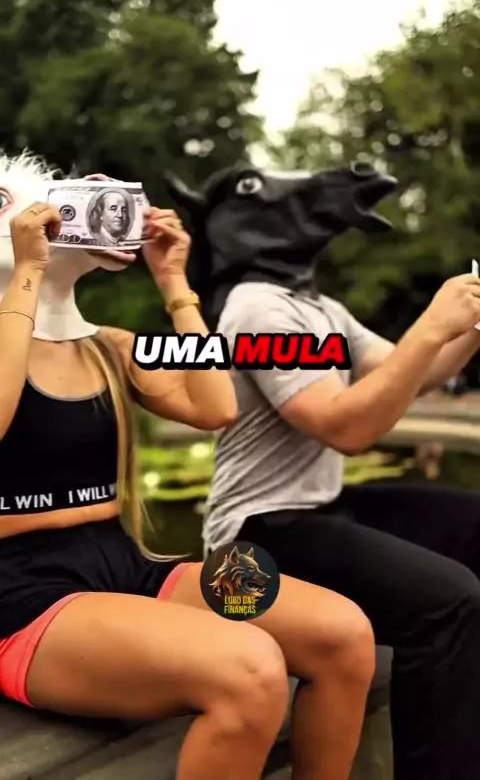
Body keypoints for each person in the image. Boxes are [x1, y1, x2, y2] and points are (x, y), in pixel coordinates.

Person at [0, 153, 376, 780]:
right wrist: (29, 275)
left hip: (124, 563)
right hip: (19, 592)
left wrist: (174, 283)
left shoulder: (111, 345)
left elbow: (215, 404)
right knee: (249, 669)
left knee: (343, 633)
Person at [165, 162, 480, 780]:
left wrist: (470, 323)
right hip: (252, 538)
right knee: (447, 602)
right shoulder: (254, 310)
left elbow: (419, 372)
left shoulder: (319, 308)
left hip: (323, 506)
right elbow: (344, 427)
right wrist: (433, 322)